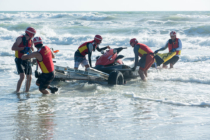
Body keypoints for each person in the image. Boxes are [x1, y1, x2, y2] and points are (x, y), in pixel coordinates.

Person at [11, 27, 36, 93]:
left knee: (29, 77)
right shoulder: (20, 38)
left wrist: (31, 50)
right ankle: (17, 91)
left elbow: (32, 49)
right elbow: (13, 48)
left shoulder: (31, 40)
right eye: (33, 34)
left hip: (27, 59)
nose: (34, 36)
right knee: (22, 76)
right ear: (30, 33)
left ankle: (26, 92)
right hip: (19, 60)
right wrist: (23, 48)